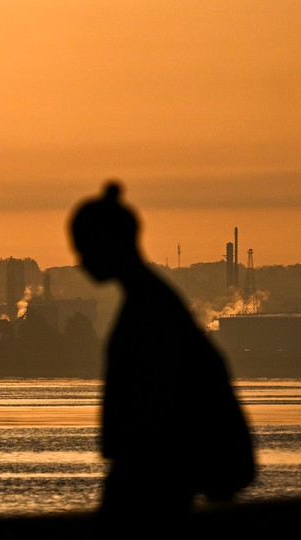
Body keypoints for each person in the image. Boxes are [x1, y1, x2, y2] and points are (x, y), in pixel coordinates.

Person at [69, 180, 256, 528]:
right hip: (153, 482)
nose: (80, 260)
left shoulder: (147, 312)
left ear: (109, 242)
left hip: (150, 489)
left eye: (84, 247)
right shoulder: (155, 302)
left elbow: (158, 413)